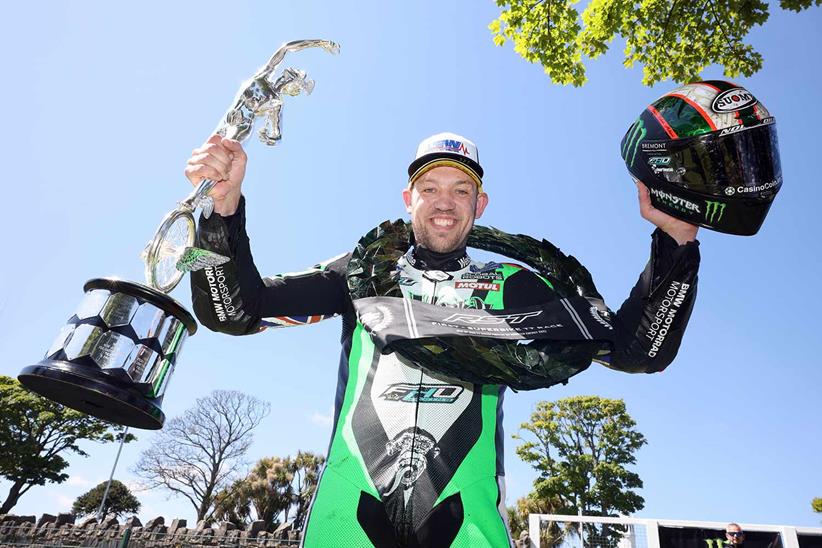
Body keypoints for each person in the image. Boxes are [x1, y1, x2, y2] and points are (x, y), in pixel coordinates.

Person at [185, 131, 700, 547]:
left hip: (467, 527)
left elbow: (637, 351)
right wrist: (220, 214)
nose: (444, 203)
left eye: (461, 190)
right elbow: (233, 313)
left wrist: (676, 242)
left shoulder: (514, 286)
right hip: (343, 522)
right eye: (430, 188)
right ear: (409, 199)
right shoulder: (361, 274)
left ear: (481, 203)